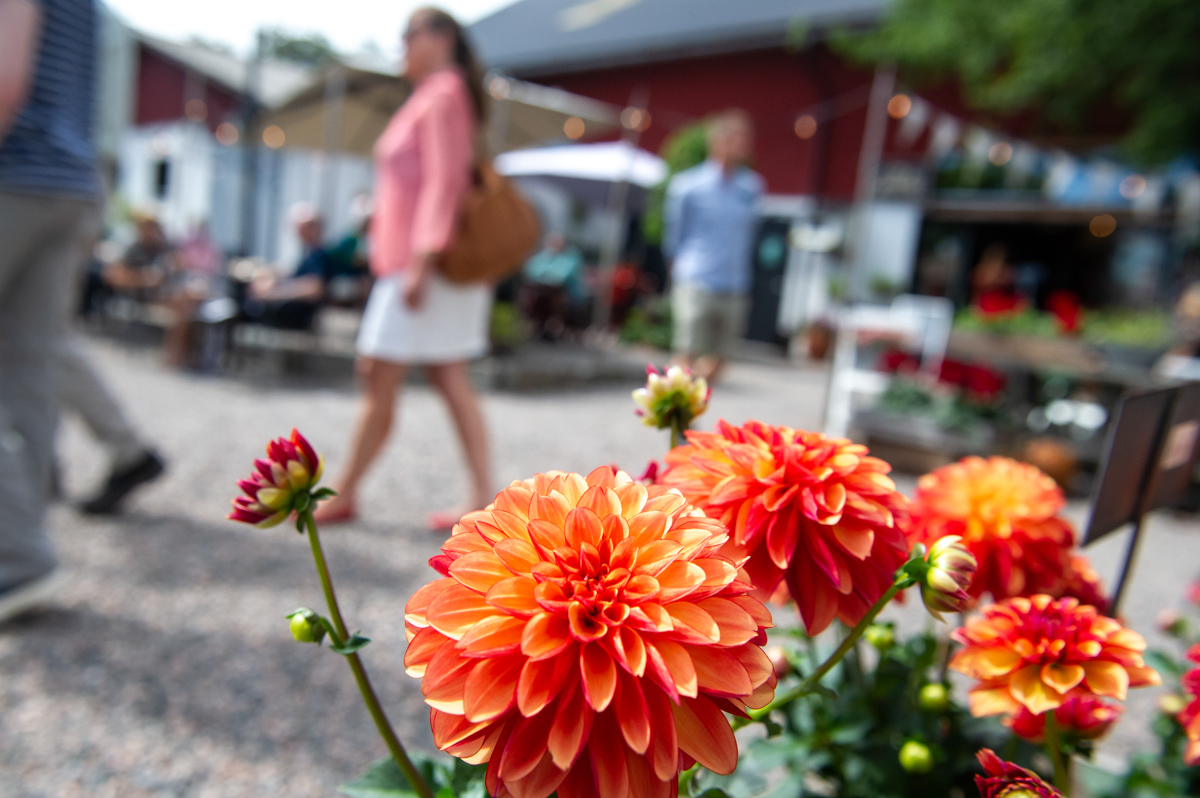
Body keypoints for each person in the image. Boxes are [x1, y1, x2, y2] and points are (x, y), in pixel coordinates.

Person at [314, 7, 493, 529]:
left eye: (407, 35)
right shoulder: (435, 94)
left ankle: (346, 490)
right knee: (437, 374)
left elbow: (445, 181)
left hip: (427, 265)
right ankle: (480, 493)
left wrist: (421, 257)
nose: (401, 46)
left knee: (383, 370)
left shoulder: (442, 93)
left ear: (438, 38)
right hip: (418, 261)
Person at [0, 0, 104, 621]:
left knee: (28, 372)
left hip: (13, 173)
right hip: (68, 178)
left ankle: (19, 550)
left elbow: (7, 76)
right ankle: (19, 553)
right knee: (31, 373)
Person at [663, 109, 763, 382]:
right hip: (696, 279)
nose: (741, 146)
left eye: (744, 140)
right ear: (716, 142)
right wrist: (676, 275)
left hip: (734, 283)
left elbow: (750, 238)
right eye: (735, 139)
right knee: (685, 353)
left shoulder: (751, 187)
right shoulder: (688, 186)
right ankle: (680, 416)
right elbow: (674, 237)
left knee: (721, 360)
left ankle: (692, 403)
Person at [243, 203, 334, 330]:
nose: (297, 231)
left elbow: (315, 288)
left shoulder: (319, 254)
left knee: (248, 308)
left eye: (303, 227)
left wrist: (273, 294)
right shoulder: (307, 252)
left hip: (298, 316)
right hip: (289, 310)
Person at [521, 232, 585, 339]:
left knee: (556, 301)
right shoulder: (544, 255)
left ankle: (552, 325)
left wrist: (545, 274)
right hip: (543, 291)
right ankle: (539, 324)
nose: (553, 245)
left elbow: (563, 276)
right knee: (534, 297)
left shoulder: (570, 257)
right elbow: (530, 269)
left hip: (568, 295)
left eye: (556, 243)